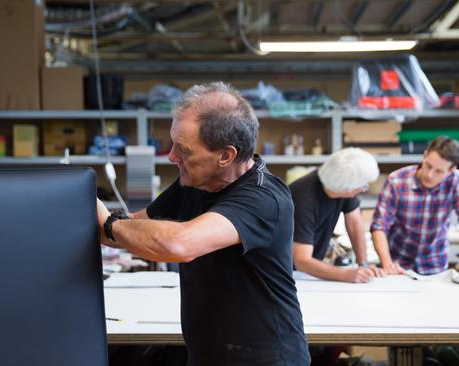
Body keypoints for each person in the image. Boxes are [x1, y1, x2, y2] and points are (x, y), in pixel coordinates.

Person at [97, 82, 310, 365]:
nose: (172, 156)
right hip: (208, 354)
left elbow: (178, 244)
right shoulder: (195, 182)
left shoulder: (264, 198)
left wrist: (110, 223)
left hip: (265, 358)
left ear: (226, 155)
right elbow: (132, 229)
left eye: (183, 149)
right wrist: (84, 211)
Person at [371, 136, 459, 278]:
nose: (429, 175)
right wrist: (387, 264)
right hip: (397, 265)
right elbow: (379, 226)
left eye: (439, 171)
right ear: (425, 155)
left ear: (451, 170)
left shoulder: (457, 181)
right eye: (428, 165)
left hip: (435, 266)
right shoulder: (396, 181)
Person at [290, 148, 385, 283]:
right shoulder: (302, 199)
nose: (363, 189)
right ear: (347, 189)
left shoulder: (337, 182)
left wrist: (363, 263)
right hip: (288, 274)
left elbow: (354, 223)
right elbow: (302, 261)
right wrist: (345, 275)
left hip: (306, 271)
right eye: (363, 186)